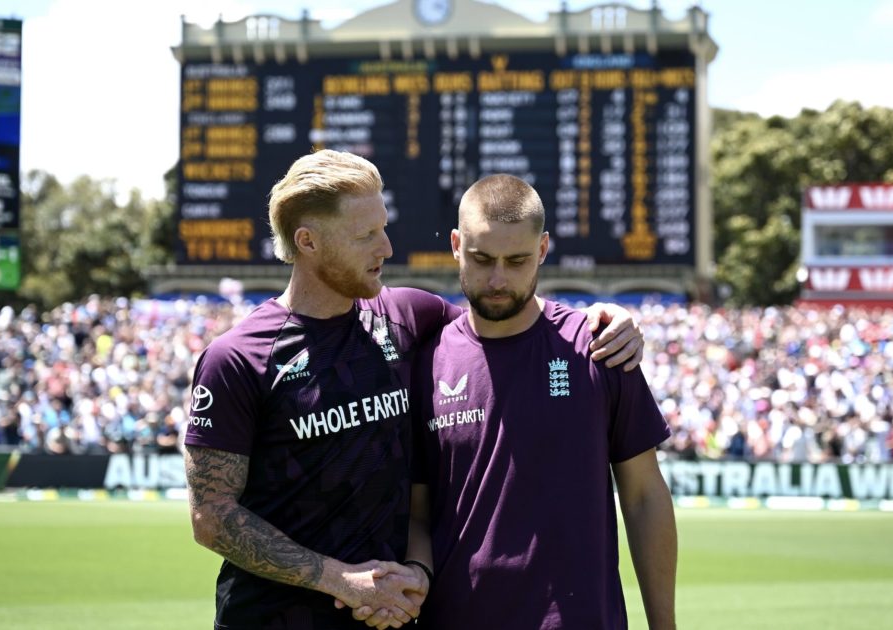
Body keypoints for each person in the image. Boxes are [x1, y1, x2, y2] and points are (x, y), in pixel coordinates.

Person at [182, 150, 646, 629]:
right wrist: (338, 579)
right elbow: (211, 517)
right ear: (309, 241)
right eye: (365, 235)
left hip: (392, 619)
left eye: (383, 227)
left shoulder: (406, 316)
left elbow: (504, 312)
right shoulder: (237, 357)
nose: (386, 247)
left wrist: (604, 318)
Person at [405, 174, 677, 629]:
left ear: (543, 250)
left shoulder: (600, 347)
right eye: (481, 258)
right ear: (455, 244)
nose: (497, 279)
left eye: (517, 261)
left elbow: (645, 495)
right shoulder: (425, 362)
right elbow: (417, 513)